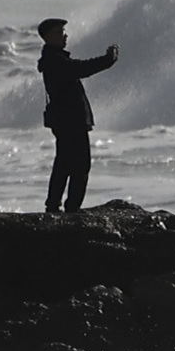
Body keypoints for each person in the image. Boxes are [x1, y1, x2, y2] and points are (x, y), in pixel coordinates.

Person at [36, 17, 119, 214]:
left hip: (66, 121)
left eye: (64, 32)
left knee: (64, 164)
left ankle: (55, 205)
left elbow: (79, 68)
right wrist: (108, 60)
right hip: (70, 122)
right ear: (48, 37)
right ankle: (70, 207)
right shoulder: (55, 60)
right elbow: (82, 68)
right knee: (80, 165)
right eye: (60, 32)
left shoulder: (53, 59)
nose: (65, 36)